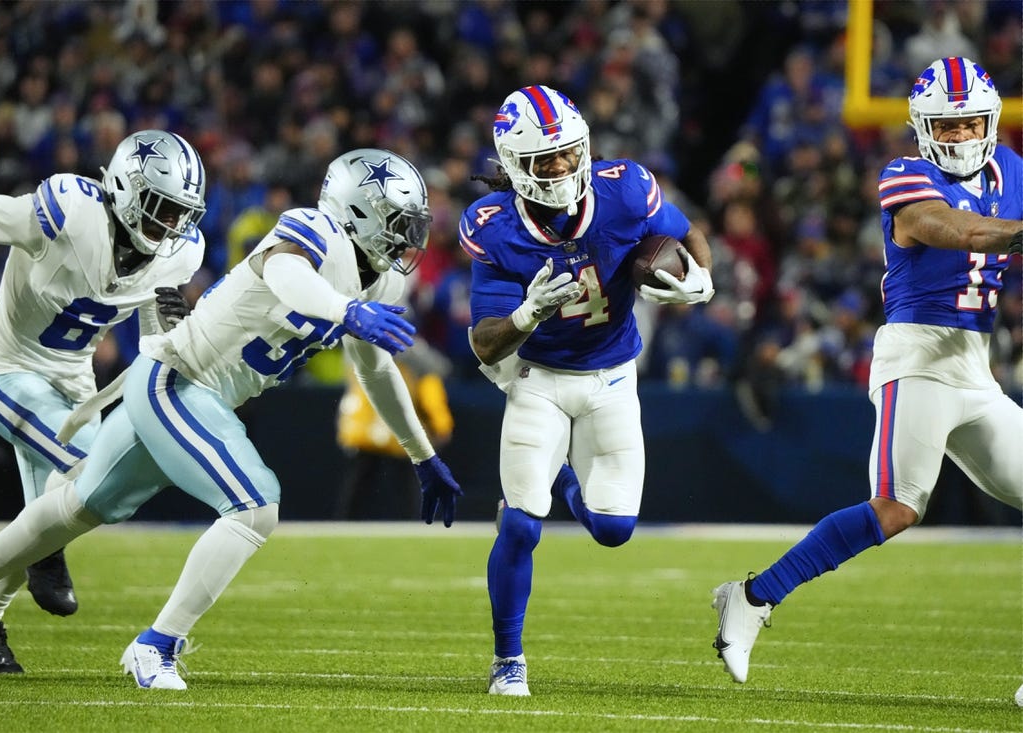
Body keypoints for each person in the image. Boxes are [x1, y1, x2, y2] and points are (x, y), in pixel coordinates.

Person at [0, 148, 462, 689]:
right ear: (357, 211)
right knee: (255, 505)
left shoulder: (382, 283)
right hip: (177, 379)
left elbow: (375, 370)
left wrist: (424, 455)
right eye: (398, 225)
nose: (408, 241)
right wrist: (345, 310)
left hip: (190, 391)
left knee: (77, 504)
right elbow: (284, 268)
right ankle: (156, 645)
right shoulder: (315, 230)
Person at [711, 57, 1023, 697]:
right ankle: (750, 597)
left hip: (974, 363)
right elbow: (951, 229)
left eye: (970, 124)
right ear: (923, 127)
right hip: (917, 358)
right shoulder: (905, 173)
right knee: (897, 507)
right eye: (948, 125)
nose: (960, 136)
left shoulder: (1014, 171)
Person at [0, 129, 207, 673]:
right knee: (94, 468)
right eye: (160, 209)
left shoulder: (177, 253)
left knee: (62, 510)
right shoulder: (66, 212)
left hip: (74, 387)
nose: (170, 226)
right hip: (4, 367)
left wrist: (176, 346)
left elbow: (154, 333)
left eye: (180, 214)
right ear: (124, 188)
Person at [463, 85, 715, 696]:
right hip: (537, 380)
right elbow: (484, 344)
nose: (560, 168)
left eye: (567, 153)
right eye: (543, 160)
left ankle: (566, 480)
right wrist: (526, 315)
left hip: (611, 376)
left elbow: (687, 231)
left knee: (613, 529)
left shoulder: (624, 188)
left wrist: (703, 278)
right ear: (515, 165)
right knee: (521, 526)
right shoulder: (492, 227)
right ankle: (507, 662)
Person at [333, 338, 454, 520]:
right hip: (390, 427)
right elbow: (434, 382)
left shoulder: (360, 348)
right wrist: (441, 425)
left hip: (371, 427)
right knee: (398, 481)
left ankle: (346, 522)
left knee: (368, 480)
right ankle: (416, 521)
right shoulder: (412, 353)